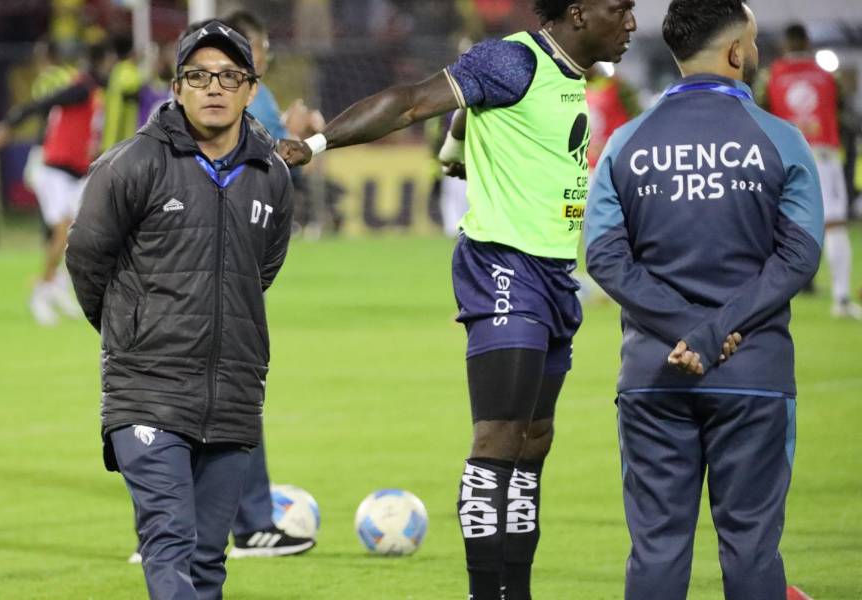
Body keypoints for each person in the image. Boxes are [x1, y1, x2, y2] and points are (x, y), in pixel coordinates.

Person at [277, 1, 637, 597]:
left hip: (554, 274)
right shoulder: (515, 59)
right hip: (504, 265)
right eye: (620, 9)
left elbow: (469, 128)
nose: (630, 22)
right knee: (497, 438)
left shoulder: (569, 78)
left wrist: (456, 150)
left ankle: (514, 590)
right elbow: (412, 100)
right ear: (577, 13)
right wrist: (314, 145)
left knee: (533, 442)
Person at [585, 1, 822, 597]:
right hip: (753, 376)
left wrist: (687, 330)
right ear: (737, 51)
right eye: (754, 41)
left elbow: (606, 258)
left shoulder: (624, 143)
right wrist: (714, 333)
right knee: (751, 549)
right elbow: (798, 257)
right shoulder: (782, 141)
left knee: (658, 550)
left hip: (654, 376)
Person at [65, 20, 294, 599]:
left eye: (228, 76)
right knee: (169, 543)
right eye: (198, 76)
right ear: (176, 88)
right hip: (147, 389)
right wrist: (133, 330)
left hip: (233, 393)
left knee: (208, 564)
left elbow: (258, 272)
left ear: (250, 88)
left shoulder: (273, 178)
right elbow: (87, 260)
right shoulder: (130, 165)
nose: (213, 87)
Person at [217, 8, 317, 559]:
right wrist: (301, 138)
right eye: (261, 45)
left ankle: (170, 530)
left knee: (201, 398)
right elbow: (262, 161)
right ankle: (248, 524)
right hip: (217, 270)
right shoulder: (244, 101)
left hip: (228, 268)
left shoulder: (204, 101)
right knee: (227, 397)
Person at [0, 42, 117, 326]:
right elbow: (40, 105)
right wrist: (8, 125)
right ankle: (41, 292)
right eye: (109, 63)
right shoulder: (80, 89)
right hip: (55, 170)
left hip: (77, 172)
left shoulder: (93, 92)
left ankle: (57, 286)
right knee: (61, 232)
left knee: (83, 236)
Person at [758, 24, 862, 319]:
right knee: (835, 226)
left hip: (783, 157)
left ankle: (768, 303)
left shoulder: (771, 76)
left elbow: (761, 114)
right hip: (823, 155)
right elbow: (842, 112)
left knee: (774, 229)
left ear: (784, 45)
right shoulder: (828, 76)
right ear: (807, 41)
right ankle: (841, 299)